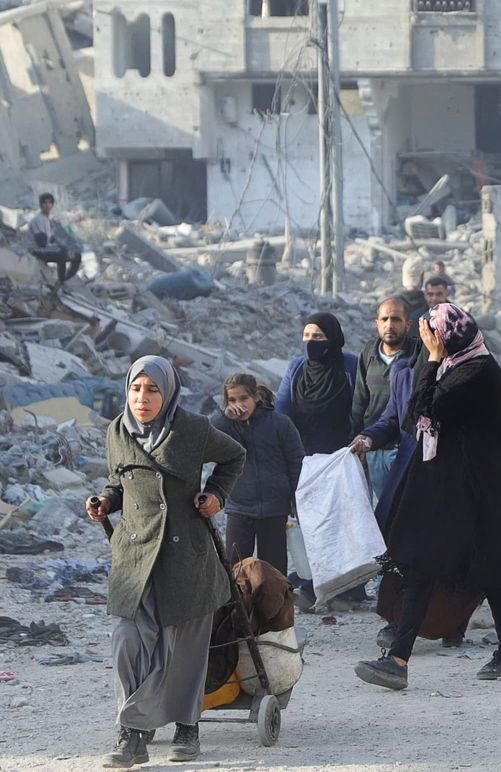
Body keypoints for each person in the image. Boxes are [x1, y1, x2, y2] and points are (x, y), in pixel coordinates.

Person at [355, 303, 501, 690]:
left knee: (492, 572)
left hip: (472, 490)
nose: (428, 341)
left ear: (449, 336)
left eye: (433, 334)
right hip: (448, 487)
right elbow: (497, 419)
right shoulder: (463, 365)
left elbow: (425, 407)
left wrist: (431, 360)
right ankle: (398, 659)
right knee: (422, 566)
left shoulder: (475, 370)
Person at [87, 356, 246, 766]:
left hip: (186, 555)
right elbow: (117, 482)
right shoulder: (117, 431)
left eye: (153, 390)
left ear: (169, 392)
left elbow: (234, 456)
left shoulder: (193, 429)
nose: (142, 398)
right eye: (136, 389)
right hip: (135, 557)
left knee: (183, 648)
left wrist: (216, 496)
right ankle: (132, 731)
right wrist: (106, 501)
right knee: (126, 640)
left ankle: (186, 727)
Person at [211, 373, 303, 576]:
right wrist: (224, 417)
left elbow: (296, 463)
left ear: (256, 397)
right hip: (239, 507)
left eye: (244, 398)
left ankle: (273, 607)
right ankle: (238, 608)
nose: (239, 405)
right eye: (232, 400)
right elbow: (207, 437)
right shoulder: (227, 425)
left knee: (273, 569)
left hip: (274, 507)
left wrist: (296, 500)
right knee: (235, 568)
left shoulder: (280, 424)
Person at [353, 299, 417, 501]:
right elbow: (360, 400)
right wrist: (359, 439)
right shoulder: (368, 352)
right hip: (374, 447)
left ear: (408, 324)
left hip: (404, 448)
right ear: (377, 323)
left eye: (396, 319)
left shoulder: (418, 354)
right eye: (385, 319)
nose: (390, 325)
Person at [277, 312, 359, 455]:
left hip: (341, 456)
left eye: (318, 336)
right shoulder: (296, 368)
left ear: (332, 338)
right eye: (306, 335)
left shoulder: (350, 366)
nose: (310, 341)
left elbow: (361, 409)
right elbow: (282, 410)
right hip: (302, 456)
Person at [28, 192, 82, 283]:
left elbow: (51, 239)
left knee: (77, 256)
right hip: (38, 250)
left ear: (52, 205)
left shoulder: (47, 219)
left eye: (50, 203)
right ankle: (61, 281)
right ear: (41, 205)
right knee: (62, 252)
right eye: (45, 203)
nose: (47, 205)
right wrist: (62, 248)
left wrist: (65, 248)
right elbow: (42, 242)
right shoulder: (38, 219)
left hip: (47, 249)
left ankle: (65, 280)